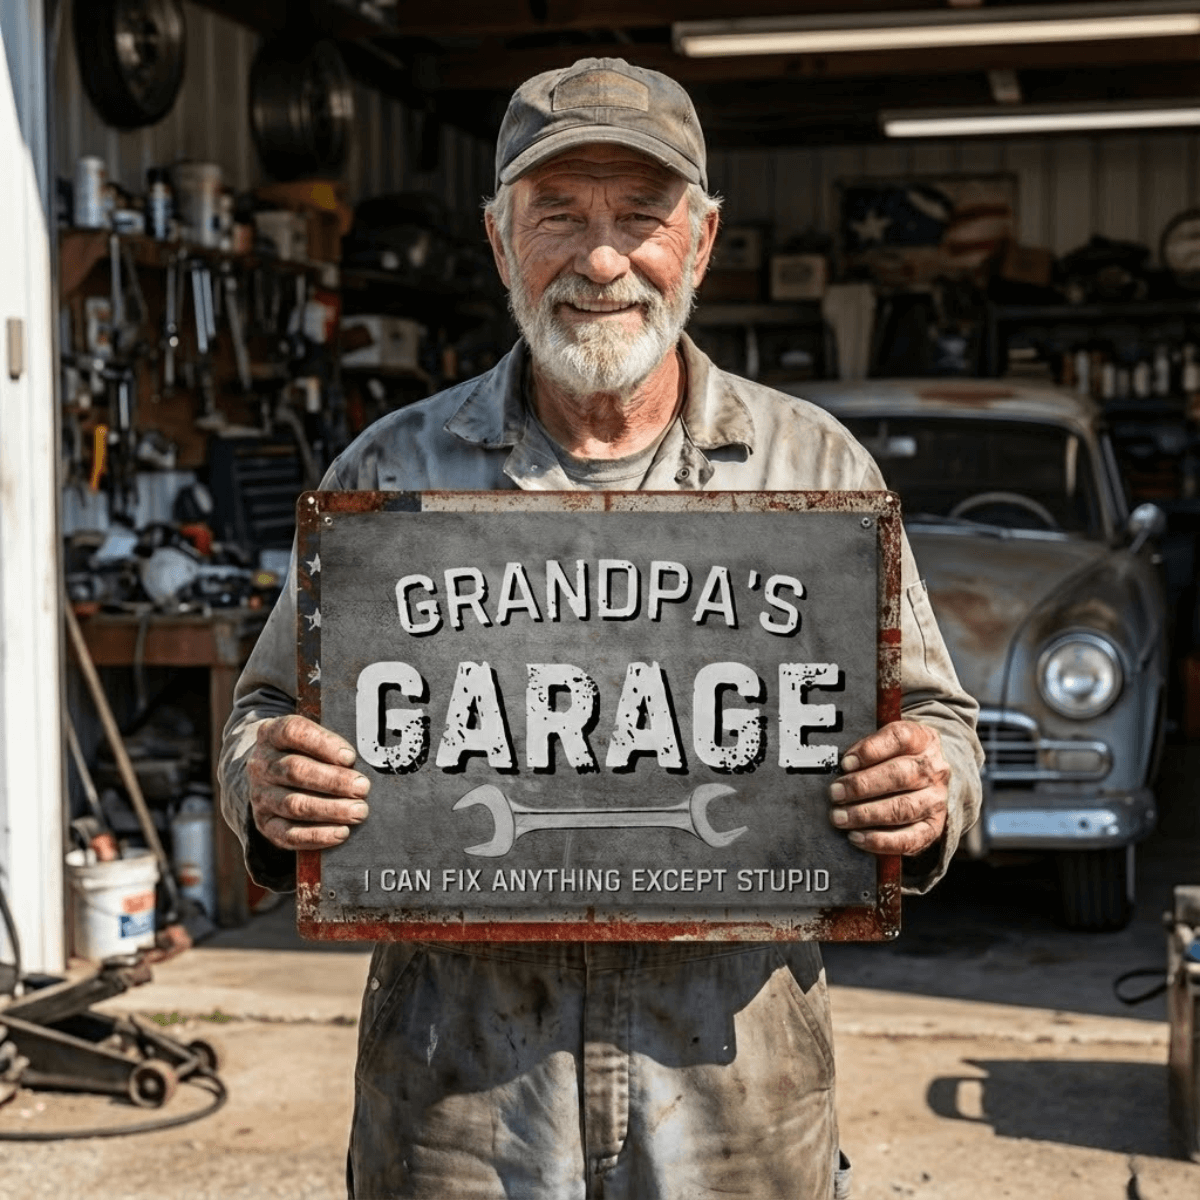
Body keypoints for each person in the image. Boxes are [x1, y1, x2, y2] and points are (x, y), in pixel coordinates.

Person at [220, 57, 983, 1200]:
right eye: (559, 215)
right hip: (459, 1097)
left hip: (735, 1088)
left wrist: (928, 792)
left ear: (705, 240)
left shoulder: (815, 469)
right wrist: (265, 785)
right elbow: (265, 711)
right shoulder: (388, 474)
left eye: (641, 215)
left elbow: (940, 722)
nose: (603, 258)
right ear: (497, 240)